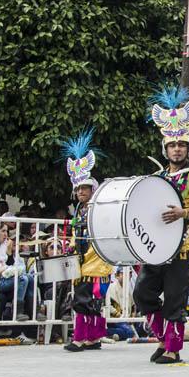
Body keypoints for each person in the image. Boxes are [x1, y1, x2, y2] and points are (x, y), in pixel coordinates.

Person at [133, 86, 189, 364]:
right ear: (165, 148)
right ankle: (163, 337)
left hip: (184, 247)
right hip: (157, 248)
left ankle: (173, 348)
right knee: (142, 293)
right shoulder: (157, 177)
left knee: (175, 300)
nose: (177, 149)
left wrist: (182, 213)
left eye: (181, 145)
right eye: (172, 145)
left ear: (188, 148)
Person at [60, 128, 115, 352]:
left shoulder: (97, 209)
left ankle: (82, 338)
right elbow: (76, 235)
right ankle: (92, 337)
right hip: (82, 261)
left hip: (96, 262)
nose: (81, 192)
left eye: (85, 188)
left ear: (92, 189)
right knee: (85, 299)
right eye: (78, 188)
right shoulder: (78, 210)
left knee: (88, 300)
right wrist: (71, 248)